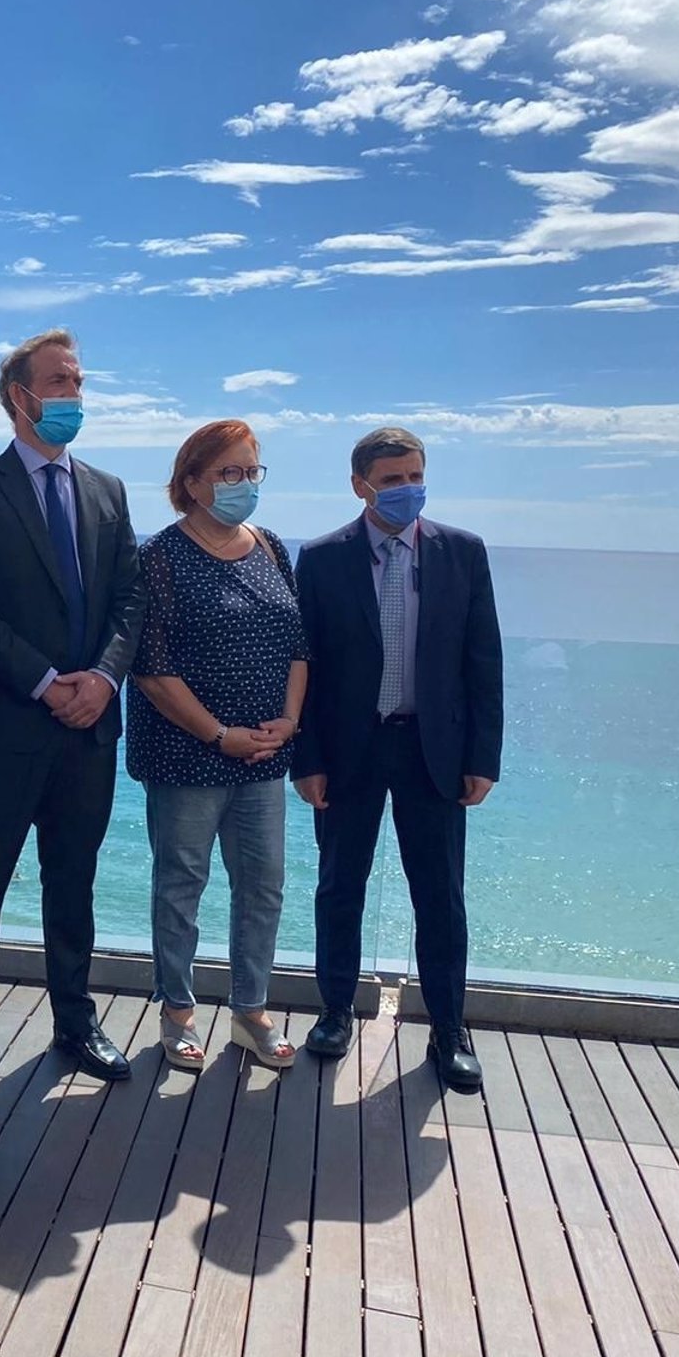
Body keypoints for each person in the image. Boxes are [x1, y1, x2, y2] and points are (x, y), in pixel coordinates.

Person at [0, 329, 145, 1098]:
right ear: (18, 397)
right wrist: (48, 681)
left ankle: (76, 1019)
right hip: (2, 731)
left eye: (79, 382)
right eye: (59, 382)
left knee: (75, 881)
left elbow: (131, 599)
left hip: (90, 729)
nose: (73, 396)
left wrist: (102, 679)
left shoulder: (108, 490)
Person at [293, 427, 504, 1090]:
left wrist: (484, 757)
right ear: (360, 485)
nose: (407, 488)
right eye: (391, 479)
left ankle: (448, 1029)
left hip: (431, 750)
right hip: (351, 748)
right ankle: (333, 1012)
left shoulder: (462, 553)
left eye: (414, 474)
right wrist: (307, 759)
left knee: (439, 896)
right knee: (338, 887)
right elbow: (307, 668)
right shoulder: (323, 560)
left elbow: (483, 662)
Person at [127, 421, 307, 1072]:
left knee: (263, 885)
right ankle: (176, 1012)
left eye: (251, 471)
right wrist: (218, 734)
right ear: (193, 481)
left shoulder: (273, 547)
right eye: (229, 472)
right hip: (188, 757)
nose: (243, 484)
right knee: (181, 885)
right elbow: (150, 666)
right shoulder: (160, 557)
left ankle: (250, 1010)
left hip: (265, 756)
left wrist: (288, 720)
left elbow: (297, 643)